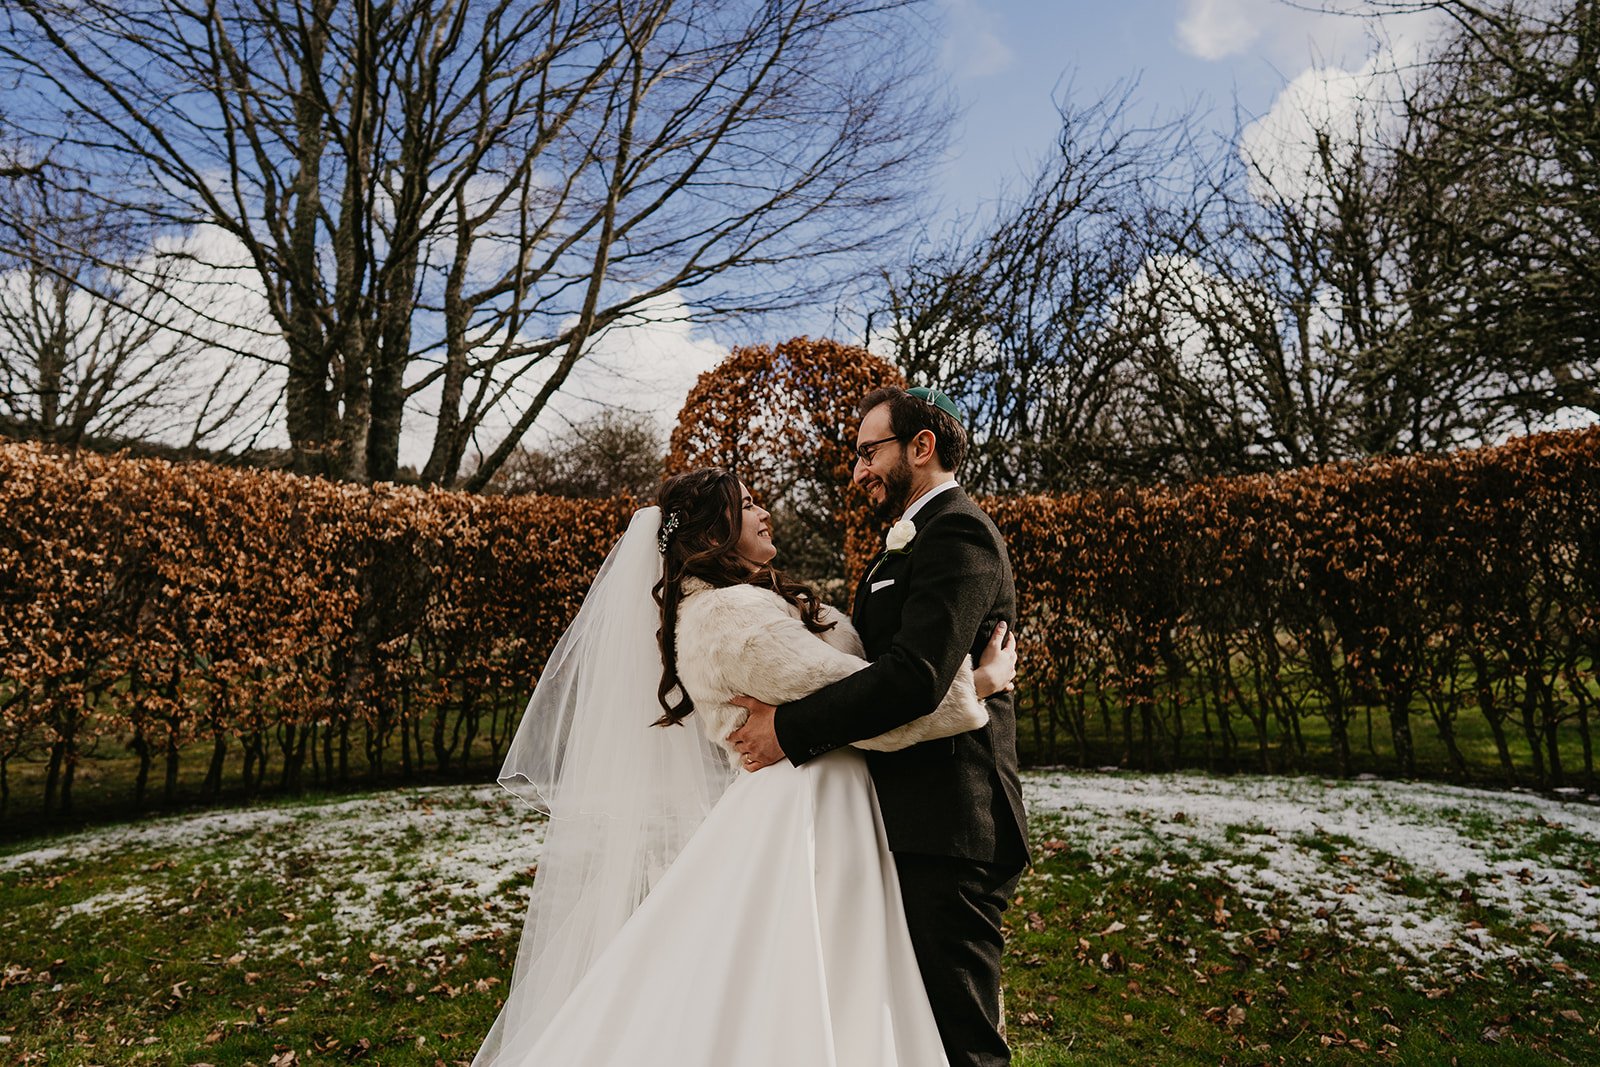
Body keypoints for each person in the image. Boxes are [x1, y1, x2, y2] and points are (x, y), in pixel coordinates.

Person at [473, 466, 1017, 1067]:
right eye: (749, 504)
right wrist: (978, 684)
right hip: (805, 808)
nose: (764, 513)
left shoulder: (752, 604)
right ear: (714, 534)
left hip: (819, 795)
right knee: (809, 974)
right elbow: (862, 703)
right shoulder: (732, 620)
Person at [729, 386, 1030, 1067]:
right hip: (908, 816)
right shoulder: (909, 540)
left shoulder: (957, 531)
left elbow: (914, 677)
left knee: (963, 1042)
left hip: (950, 823)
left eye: (870, 452)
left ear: (921, 447)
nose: (858, 470)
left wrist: (788, 728)